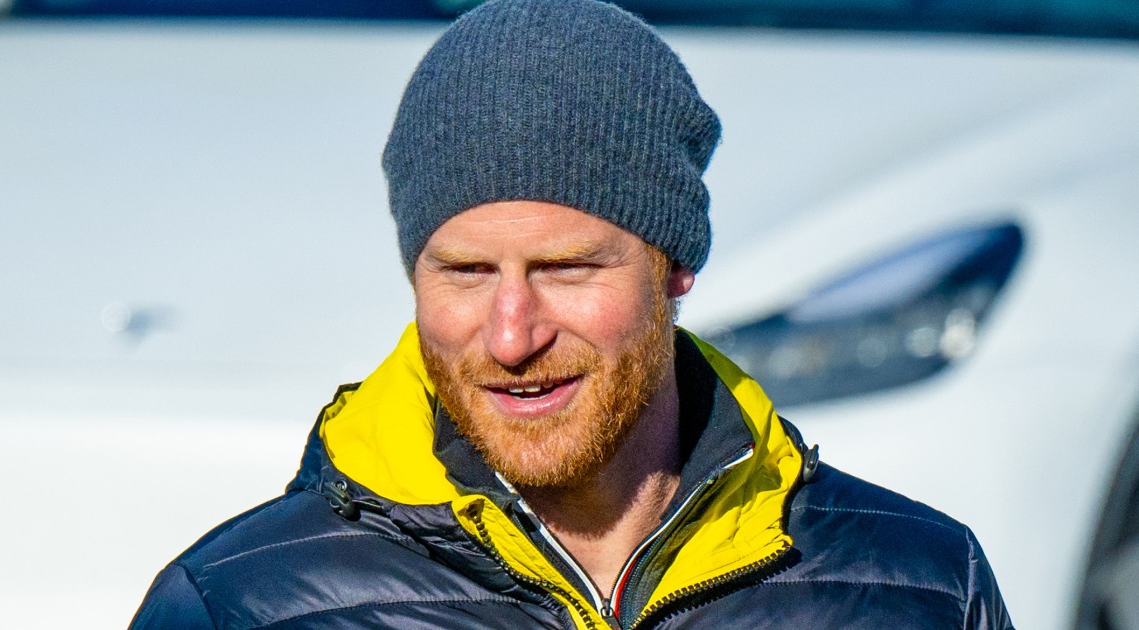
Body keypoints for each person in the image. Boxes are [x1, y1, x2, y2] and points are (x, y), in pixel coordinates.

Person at [130, 1, 1013, 628]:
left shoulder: (921, 588)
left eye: (566, 269)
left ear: (675, 268)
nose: (512, 335)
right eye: (466, 272)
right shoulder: (243, 605)